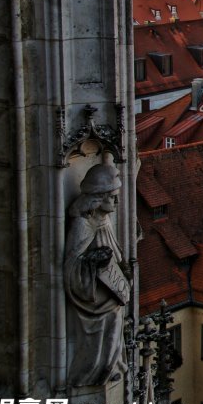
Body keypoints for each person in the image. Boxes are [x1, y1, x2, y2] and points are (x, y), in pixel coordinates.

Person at [64, 158, 129, 387]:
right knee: (110, 321)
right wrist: (92, 263)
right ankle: (94, 374)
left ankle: (110, 368)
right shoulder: (83, 224)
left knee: (115, 320)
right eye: (112, 196)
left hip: (108, 293)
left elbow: (116, 255)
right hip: (93, 299)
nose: (117, 200)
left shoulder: (105, 221)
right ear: (98, 197)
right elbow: (72, 267)